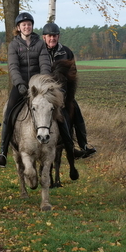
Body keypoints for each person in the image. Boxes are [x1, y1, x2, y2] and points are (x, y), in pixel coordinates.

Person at [0, 12, 79, 168]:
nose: (27, 27)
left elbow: (45, 64)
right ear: (19, 28)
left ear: (32, 26)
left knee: (58, 113)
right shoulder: (13, 45)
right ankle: (3, 152)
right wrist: (19, 84)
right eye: (24, 24)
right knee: (9, 113)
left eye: (29, 24)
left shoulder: (39, 44)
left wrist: (44, 83)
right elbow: (13, 67)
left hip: (38, 86)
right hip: (20, 86)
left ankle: (69, 146)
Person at [42, 22, 97, 158]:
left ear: (58, 36)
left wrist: (68, 94)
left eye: (55, 36)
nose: (52, 39)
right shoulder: (39, 52)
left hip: (63, 92)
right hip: (44, 93)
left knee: (76, 111)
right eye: (49, 36)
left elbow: (73, 74)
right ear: (44, 37)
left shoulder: (66, 52)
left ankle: (82, 144)